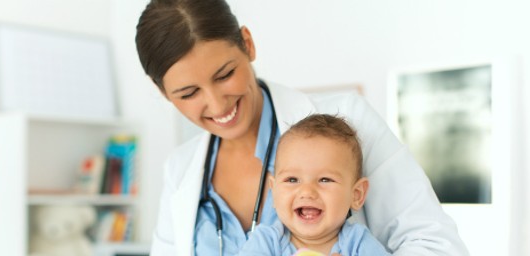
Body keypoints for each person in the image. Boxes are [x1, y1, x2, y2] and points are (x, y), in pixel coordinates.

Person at [135, 0, 469, 255]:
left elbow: (433, 242)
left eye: (224, 75)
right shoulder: (179, 170)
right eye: (189, 93)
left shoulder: (348, 120)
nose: (218, 104)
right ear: (161, 91)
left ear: (247, 44)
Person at [239, 114, 390, 255]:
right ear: (274, 190)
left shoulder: (358, 242)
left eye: (325, 179)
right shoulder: (265, 242)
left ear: (356, 195)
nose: (307, 191)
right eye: (292, 179)